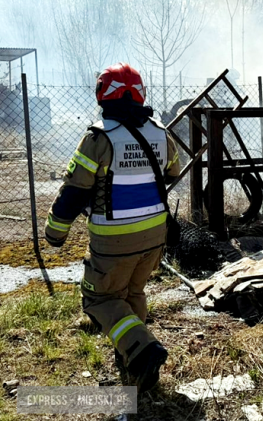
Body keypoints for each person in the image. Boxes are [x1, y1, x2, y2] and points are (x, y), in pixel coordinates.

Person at [45, 62, 180, 392]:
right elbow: (173, 173)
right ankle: (132, 357)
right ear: (139, 93)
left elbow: (74, 193)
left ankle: (143, 350)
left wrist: (54, 232)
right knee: (133, 292)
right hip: (155, 235)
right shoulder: (161, 132)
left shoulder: (98, 138)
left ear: (103, 94)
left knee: (100, 298)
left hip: (114, 240)